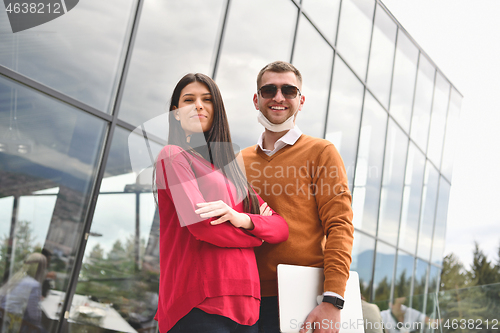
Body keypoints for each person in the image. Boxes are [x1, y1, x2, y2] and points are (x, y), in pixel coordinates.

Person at [154, 73, 289, 333]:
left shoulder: (233, 175)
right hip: (199, 301)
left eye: (207, 99)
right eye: (188, 100)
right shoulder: (173, 156)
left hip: (248, 307)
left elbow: (281, 228)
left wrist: (242, 219)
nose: (198, 105)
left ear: (216, 109)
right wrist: (256, 236)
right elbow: (203, 226)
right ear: (176, 113)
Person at [241, 61, 354, 333]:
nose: (278, 97)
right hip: (243, 299)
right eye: (269, 90)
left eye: (288, 91)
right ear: (257, 100)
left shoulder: (322, 152)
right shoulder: (238, 160)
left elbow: (340, 226)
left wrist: (333, 300)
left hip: (299, 300)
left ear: (300, 101)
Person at [0, 252, 47, 332]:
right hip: (13, 324)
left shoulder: (16, 277)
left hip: (2, 320)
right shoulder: (34, 285)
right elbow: (34, 317)